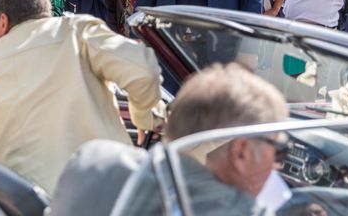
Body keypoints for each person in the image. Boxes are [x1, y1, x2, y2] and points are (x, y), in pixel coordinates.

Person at [0, 0, 163, 195]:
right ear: (45, 10)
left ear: (2, 21)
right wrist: (145, 118)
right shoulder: (76, 32)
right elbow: (143, 69)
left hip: (13, 205)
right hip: (98, 195)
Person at [108, 63, 288, 216]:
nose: (277, 165)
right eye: (279, 151)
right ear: (241, 152)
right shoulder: (227, 209)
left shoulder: (147, 177)